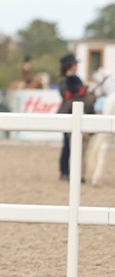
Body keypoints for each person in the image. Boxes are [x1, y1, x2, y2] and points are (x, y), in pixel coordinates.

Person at [58, 53, 88, 181]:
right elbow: (66, 95)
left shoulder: (77, 79)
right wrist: (77, 92)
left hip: (78, 113)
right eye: (75, 64)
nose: (76, 67)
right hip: (67, 113)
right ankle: (64, 171)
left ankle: (75, 172)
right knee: (67, 145)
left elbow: (83, 95)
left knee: (78, 145)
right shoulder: (63, 80)